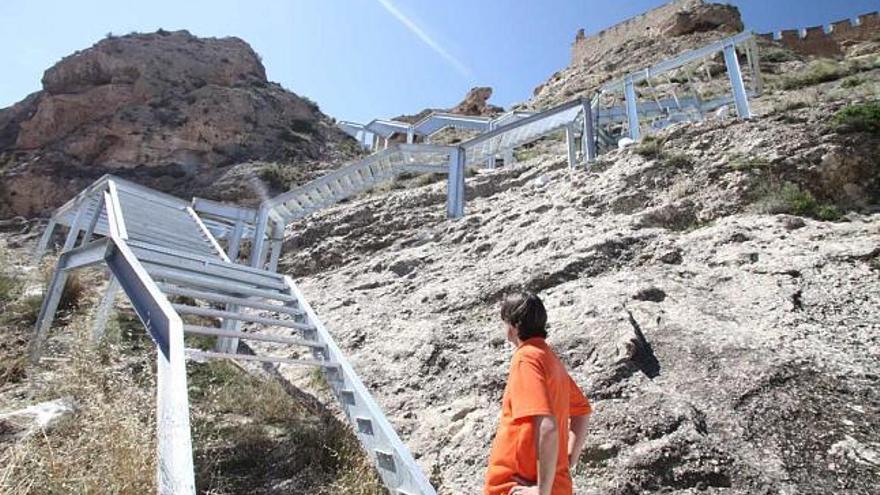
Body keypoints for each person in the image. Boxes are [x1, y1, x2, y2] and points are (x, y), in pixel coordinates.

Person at [484, 292, 592, 495]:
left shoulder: (527, 359)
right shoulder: (548, 357)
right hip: (552, 483)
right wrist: (567, 459)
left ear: (514, 325)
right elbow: (582, 411)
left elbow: (548, 426)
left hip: (519, 482)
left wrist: (542, 490)